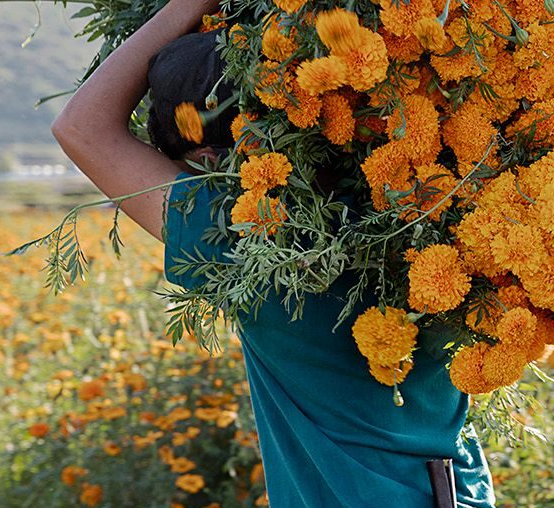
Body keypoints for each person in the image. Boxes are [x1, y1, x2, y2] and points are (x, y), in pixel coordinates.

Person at [49, 1, 497, 507]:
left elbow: (81, 127)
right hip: (459, 491)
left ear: (211, 161)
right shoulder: (429, 204)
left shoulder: (251, 242)